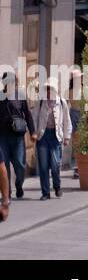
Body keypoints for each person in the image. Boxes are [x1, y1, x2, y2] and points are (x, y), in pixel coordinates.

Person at [0, 71, 36, 199]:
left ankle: (19, 184)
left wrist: (33, 132)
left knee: (20, 165)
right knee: (4, 166)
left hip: (18, 138)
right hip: (2, 137)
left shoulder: (20, 96)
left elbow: (28, 115)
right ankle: (7, 191)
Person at [32, 81, 71, 200]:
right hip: (43, 136)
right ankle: (45, 192)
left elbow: (66, 120)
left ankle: (57, 186)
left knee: (55, 165)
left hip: (56, 136)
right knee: (43, 166)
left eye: (50, 89)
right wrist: (34, 133)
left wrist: (66, 136)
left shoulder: (62, 102)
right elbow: (34, 117)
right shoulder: (41, 102)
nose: (48, 92)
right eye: (47, 89)